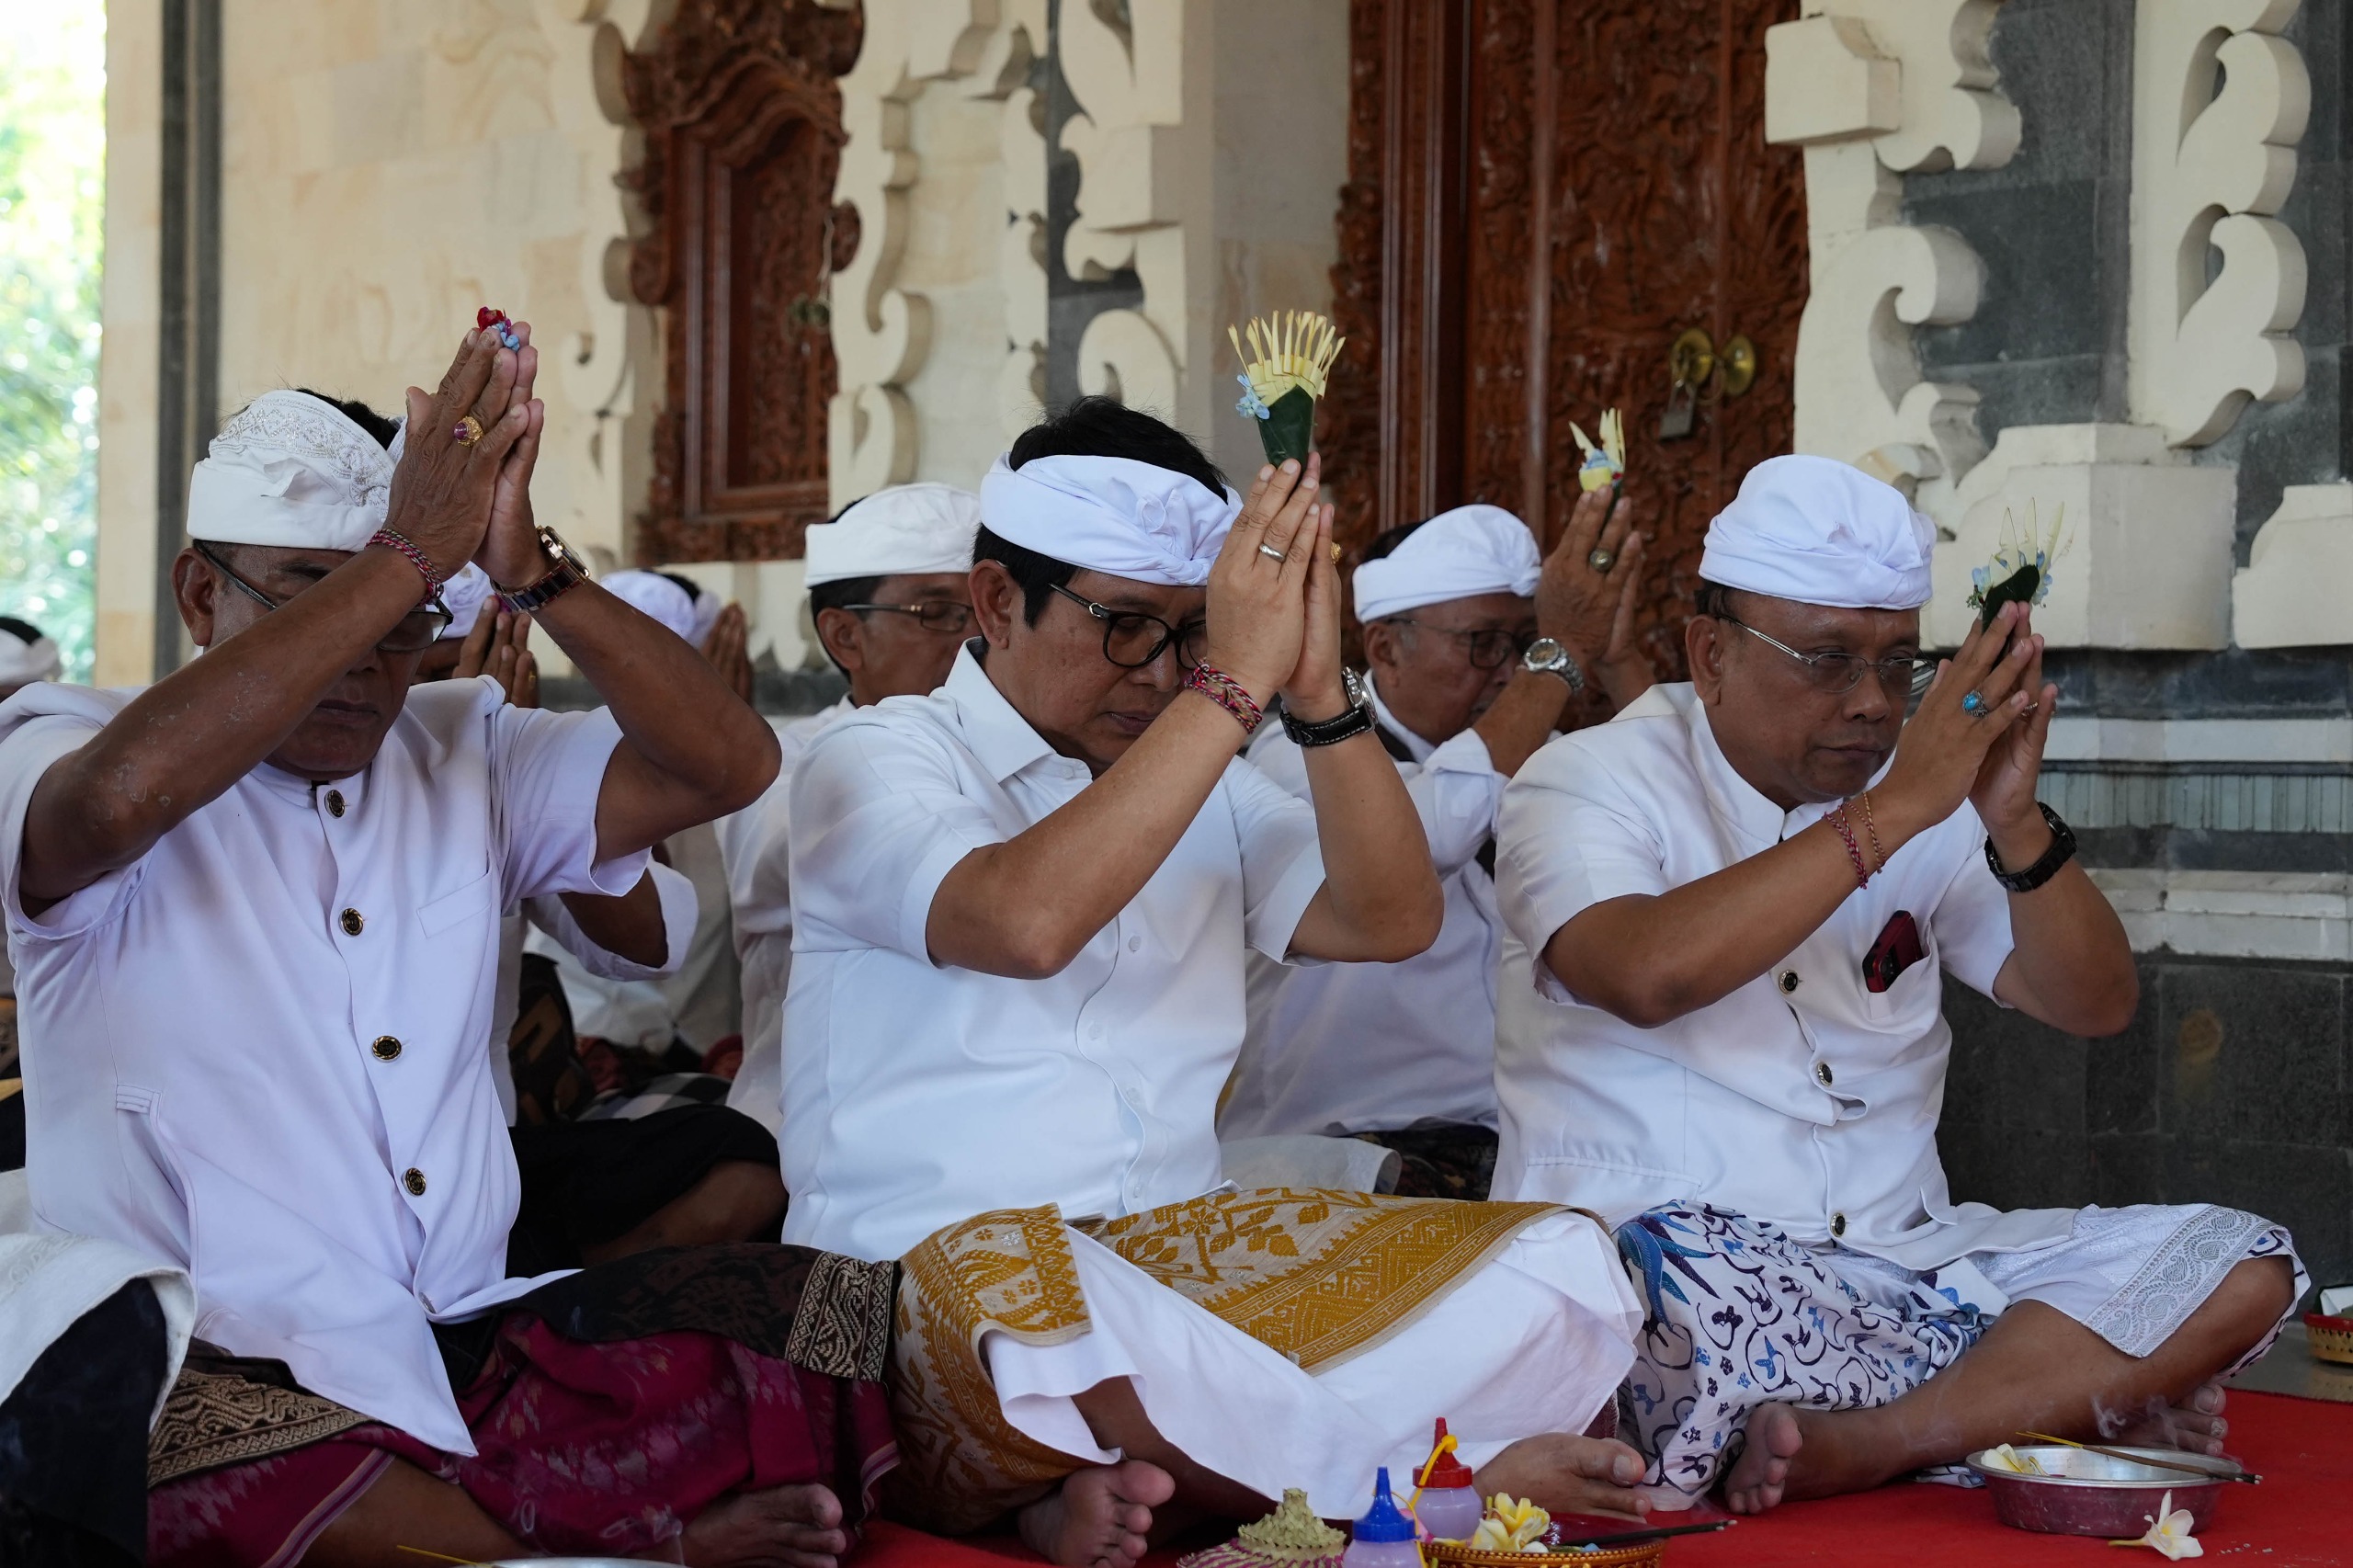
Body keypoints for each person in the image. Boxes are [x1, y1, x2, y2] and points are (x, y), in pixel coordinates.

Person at [0, 326, 897, 1565]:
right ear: (200, 593)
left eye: (400, 618)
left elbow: (730, 766)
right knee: (120, 1443)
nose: (362, 657)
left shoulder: (466, 741)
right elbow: (105, 809)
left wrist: (531, 571)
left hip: (460, 1338)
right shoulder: (63, 740)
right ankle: (596, 1547)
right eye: (311, 594)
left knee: (817, 1310)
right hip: (216, 1358)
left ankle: (488, 1532)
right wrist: (406, 558)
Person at [783, 398, 1646, 1568]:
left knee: (1557, 1260)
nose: (1161, 671)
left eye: (1193, 631)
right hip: (922, 1291)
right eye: (1125, 626)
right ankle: (1390, 1487)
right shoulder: (872, 758)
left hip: (1177, 1275)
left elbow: (1391, 917)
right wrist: (1231, 682)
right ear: (994, 601)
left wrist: (1319, 694)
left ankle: (1142, 1480)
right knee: (1021, 1292)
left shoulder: (1212, 780)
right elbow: (1024, 922)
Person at [1491, 454, 2304, 1514]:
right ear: (1710, 652)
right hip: (1681, 1267)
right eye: (1827, 660)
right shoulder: (1585, 779)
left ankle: (1879, 1436)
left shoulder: (1925, 798)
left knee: (2239, 1266)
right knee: (1665, 1287)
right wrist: (1897, 809)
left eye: (1896, 662)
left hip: (1906, 1261)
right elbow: (1644, 972)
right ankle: (2039, 1397)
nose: (1873, 703)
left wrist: (2015, 823)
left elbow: (2095, 1003)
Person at [1220, 495, 1651, 1198]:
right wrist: (1561, 654)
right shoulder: (1292, 756)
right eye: (1482, 643)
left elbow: (1676, 816)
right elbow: (1426, 839)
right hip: (1334, 1152)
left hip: (1521, 1144)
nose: (1509, 670)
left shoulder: (1540, 751)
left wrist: (1617, 657)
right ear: (1385, 647)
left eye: (1524, 643)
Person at [715, 482, 980, 1132]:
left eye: (987, 609)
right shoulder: (781, 768)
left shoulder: (1029, 755)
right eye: (939, 613)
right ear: (844, 637)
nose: (976, 638)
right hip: (807, 1133)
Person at [532, 567, 745, 1060]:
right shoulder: (552, 754)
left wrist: (726, 743)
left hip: (695, 1042)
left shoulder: (751, 770)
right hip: (597, 1039)